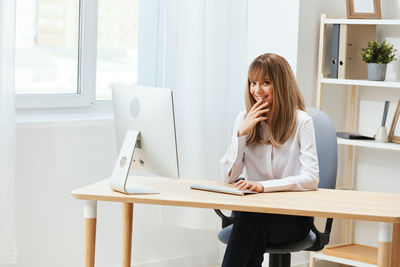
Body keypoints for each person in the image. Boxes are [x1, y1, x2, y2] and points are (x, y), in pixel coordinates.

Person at [220, 53, 319, 267]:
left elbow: (311, 178)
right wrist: (241, 134)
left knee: (248, 223)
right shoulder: (243, 119)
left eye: (266, 83)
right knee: (249, 220)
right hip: (253, 214)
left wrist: (262, 186)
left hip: (291, 218)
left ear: (281, 85)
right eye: (253, 83)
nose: (257, 90)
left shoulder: (302, 122)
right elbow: (229, 176)